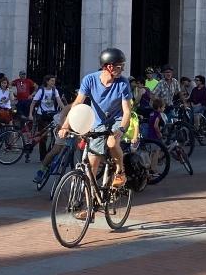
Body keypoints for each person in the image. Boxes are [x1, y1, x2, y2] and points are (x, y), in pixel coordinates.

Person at [57, 48, 132, 193]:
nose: (123, 69)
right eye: (120, 66)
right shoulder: (89, 80)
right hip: (98, 123)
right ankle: (90, 203)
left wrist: (120, 130)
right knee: (91, 167)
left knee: (112, 142)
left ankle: (120, 171)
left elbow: (127, 111)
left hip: (118, 120)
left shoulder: (123, 83)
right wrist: (65, 126)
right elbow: (77, 104)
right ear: (109, 67)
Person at [29, 75, 65, 161]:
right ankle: (43, 157)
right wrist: (30, 114)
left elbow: (59, 101)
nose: (53, 82)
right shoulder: (41, 90)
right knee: (43, 137)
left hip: (52, 115)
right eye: (52, 81)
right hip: (42, 115)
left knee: (54, 135)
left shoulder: (54, 90)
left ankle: (50, 154)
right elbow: (33, 103)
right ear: (47, 81)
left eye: (54, 81)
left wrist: (65, 110)